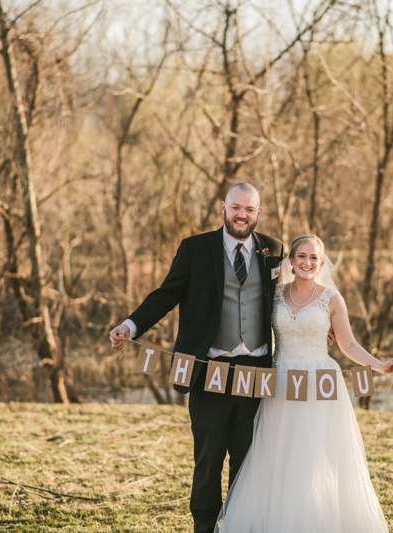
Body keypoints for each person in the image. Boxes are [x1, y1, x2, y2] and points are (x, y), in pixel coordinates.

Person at [109, 182, 285, 533]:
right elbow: (166, 294)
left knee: (247, 459)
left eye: (249, 210)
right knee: (208, 459)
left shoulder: (273, 249)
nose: (242, 215)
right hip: (208, 370)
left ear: (259, 213)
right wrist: (130, 326)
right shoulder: (195, 248)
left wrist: (320, 323)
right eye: (236, 207)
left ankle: (239, 524)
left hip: (257, 370)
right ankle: (205, 526)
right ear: (223, 206)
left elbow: (288, 296)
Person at [215, 234, 393, 533]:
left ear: (322, 262)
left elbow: (349, 345)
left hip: (318, 384)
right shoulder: (275, 294)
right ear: (291, 261)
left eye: (314, 257)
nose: (308, 262)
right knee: (276, 452)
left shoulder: (332, 299)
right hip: (279, 384)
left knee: (313, 455)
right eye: (302, 256)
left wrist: (378, 365)